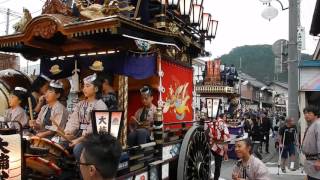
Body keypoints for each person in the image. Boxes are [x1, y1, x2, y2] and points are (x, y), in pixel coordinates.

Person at [65, 73, 107, 160]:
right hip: (80, 135)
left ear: (95, 89)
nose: (84, 89)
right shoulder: (80, 104)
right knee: (62, 144)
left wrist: (79, 140)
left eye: (88, 86)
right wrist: (69, 131)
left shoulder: (100, 105)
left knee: (78, 148)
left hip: (94, 139)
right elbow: (73, 120)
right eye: (84, 86)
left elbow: (94, 129)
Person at [206, 113, 230, 180]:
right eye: (225, 116)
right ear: (223, 117)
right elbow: (226, 139)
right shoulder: (223, 125)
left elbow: (207, 133)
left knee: (207, 161)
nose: (226, 118)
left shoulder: (211, 123)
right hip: (220, 147)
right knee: (218, 166)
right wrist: (225, 153)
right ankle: (216, 178)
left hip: (211, 145)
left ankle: (207, 174)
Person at [302, 106, 320, 180]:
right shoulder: (312, 125)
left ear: (315, 114)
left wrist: (319, 161)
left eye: (309, 113)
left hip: (316, 162)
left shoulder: (318, 124)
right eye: (305, 113)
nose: (306, 115)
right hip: (310, 162)